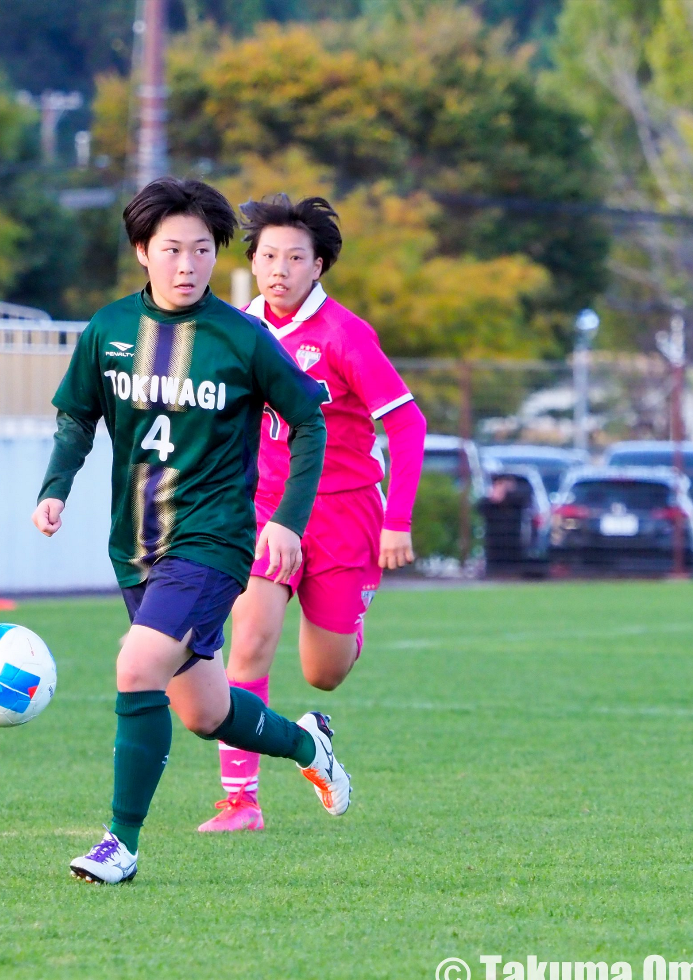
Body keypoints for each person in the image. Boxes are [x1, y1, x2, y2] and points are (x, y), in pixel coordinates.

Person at [32, 177, 346, 886]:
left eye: (202, 250)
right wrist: (55, 487)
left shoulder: (242, 337)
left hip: (213, 542)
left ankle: (120, 844)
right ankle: (309, 747)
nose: (188, 264)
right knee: (205, 711)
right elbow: (77, 416)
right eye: (172, 249)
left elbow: (308, 421)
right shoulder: (109, 330)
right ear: (142, 251)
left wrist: (288, 522)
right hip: (135, 547)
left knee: (135, 667)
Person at [196, 194, 427, 833]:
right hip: (268, 512)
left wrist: (398, 521)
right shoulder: (234, 329)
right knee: (249, 643)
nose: (280, 269)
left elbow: (408, 425)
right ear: (252, 262)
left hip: (345, 514)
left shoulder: (345, 335)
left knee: (323, 674)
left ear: (318, 266)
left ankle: (342, 645)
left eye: (295, 258)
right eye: (269, 256)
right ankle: (242, 801)